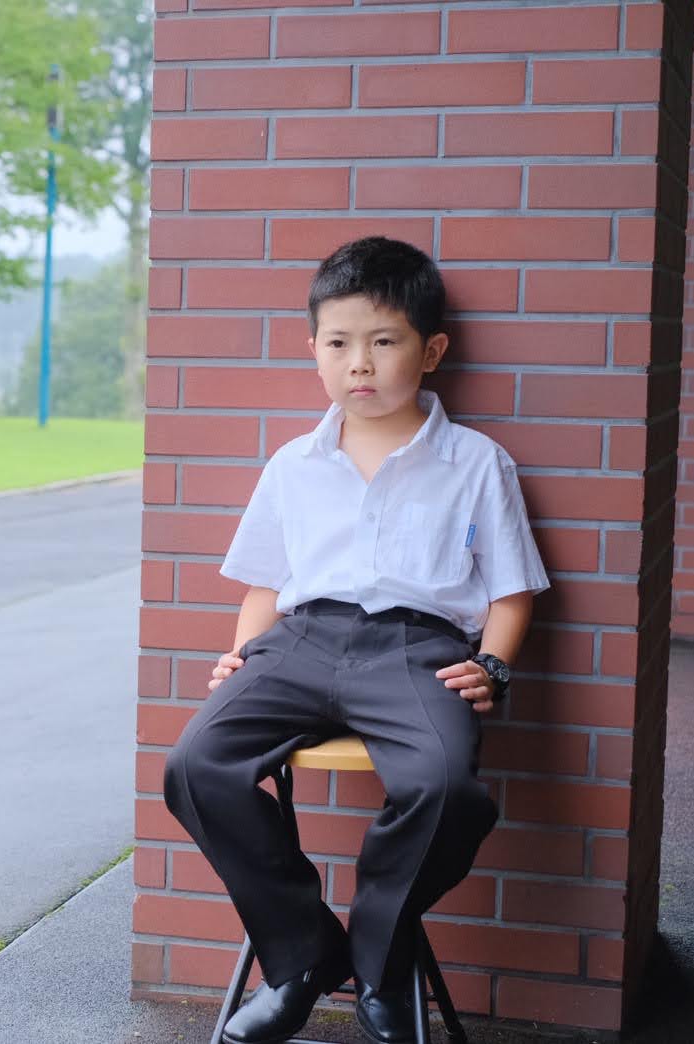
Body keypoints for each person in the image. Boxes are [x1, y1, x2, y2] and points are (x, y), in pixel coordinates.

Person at [162, 237, 548, 1044]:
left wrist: (493, 664)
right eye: (338, 344)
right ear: (314, 351)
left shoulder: (476, 462)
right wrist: (243, 651)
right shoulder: (294, 464)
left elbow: (511, 592)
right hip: (298, 642)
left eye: (383, 341)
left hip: (417, 649)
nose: (359, 364)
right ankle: (304, 955)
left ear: (431, 350)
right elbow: (265, 584)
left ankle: (378, 953)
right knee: (196, 766)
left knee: (446, 787)